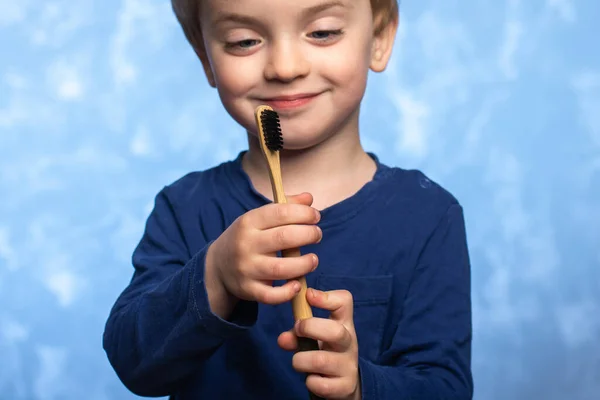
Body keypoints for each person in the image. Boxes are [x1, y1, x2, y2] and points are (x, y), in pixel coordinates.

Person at [102, 0, 473, 399]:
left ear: (379, 38)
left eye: (323, 32)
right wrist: (215, 276)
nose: (284, 67)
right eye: (244, 41)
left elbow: (444, 387)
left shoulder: (428, 216)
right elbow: (134, 365)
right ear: (204, 56)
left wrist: (362, 387)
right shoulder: (184, 208)